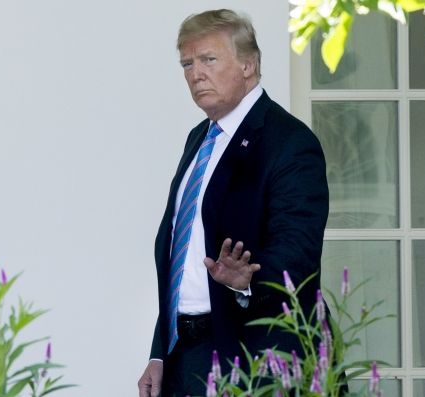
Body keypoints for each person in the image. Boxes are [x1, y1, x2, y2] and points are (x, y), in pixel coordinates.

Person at [138, 9, 329, 397]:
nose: (195, 74)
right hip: (184, 358)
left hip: (252, 358)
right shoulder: (199, 139)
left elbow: (298, 252)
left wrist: (248, 280)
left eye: (208, 59)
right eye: (187, 63)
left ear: (248, 64)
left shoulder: (289, 142)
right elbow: (183, 261)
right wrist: (160, 353)